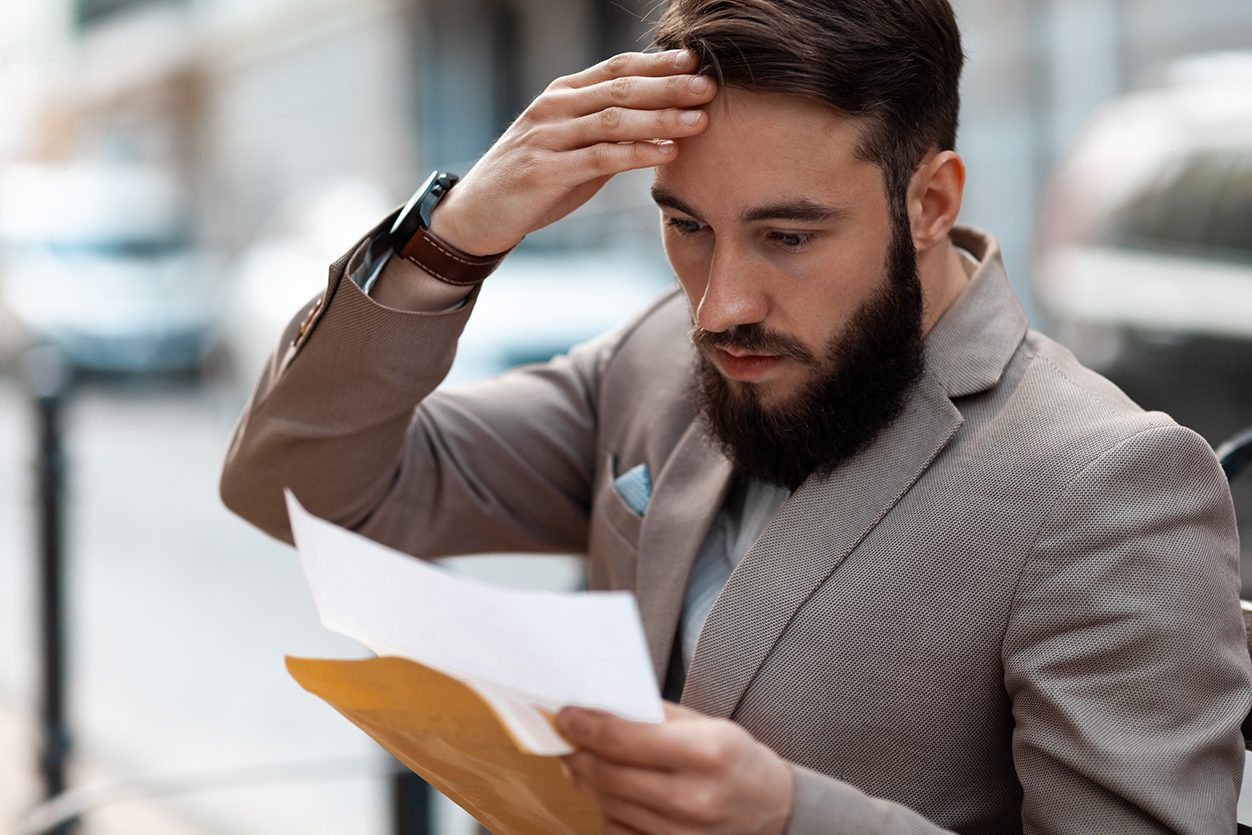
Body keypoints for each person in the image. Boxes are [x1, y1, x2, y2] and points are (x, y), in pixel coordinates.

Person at [220, 0, 1252, 831]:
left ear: (930, 203)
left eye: (788, 237)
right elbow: (297, 489)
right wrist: (451, 240)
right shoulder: (653, 362)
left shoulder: (1109, 483)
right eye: (687, 227)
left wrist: (789, 817)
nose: (720, 307)